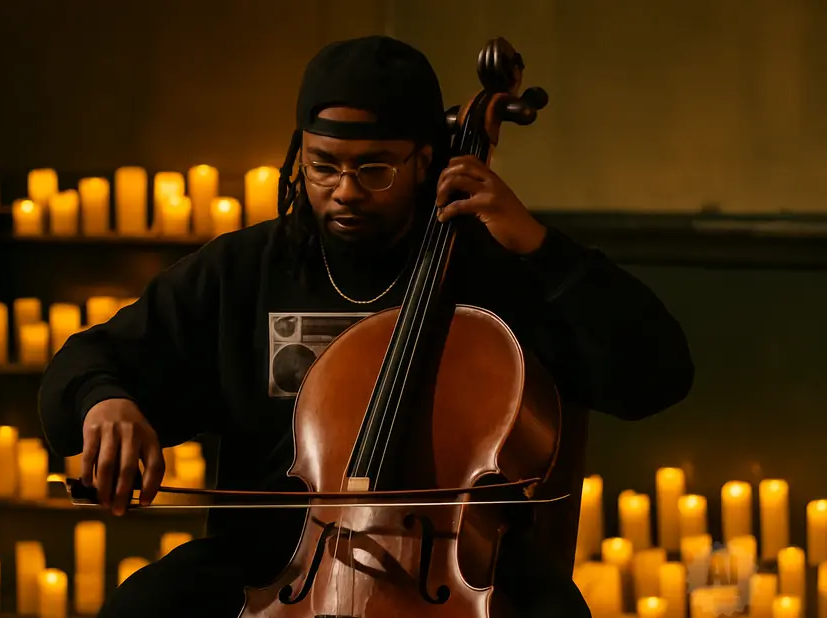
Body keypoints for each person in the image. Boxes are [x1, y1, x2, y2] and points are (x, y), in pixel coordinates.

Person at [39, 35, 694, 617]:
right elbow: (89, 362)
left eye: (374, 169)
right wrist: (106, 403)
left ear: (426, 161)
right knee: (142, 607)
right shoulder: (245, 270)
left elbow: (657, 374)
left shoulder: (492, 269)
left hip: (458, 562)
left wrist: (539, 246)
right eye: (323, 166)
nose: (345, 190)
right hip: (272, 561)